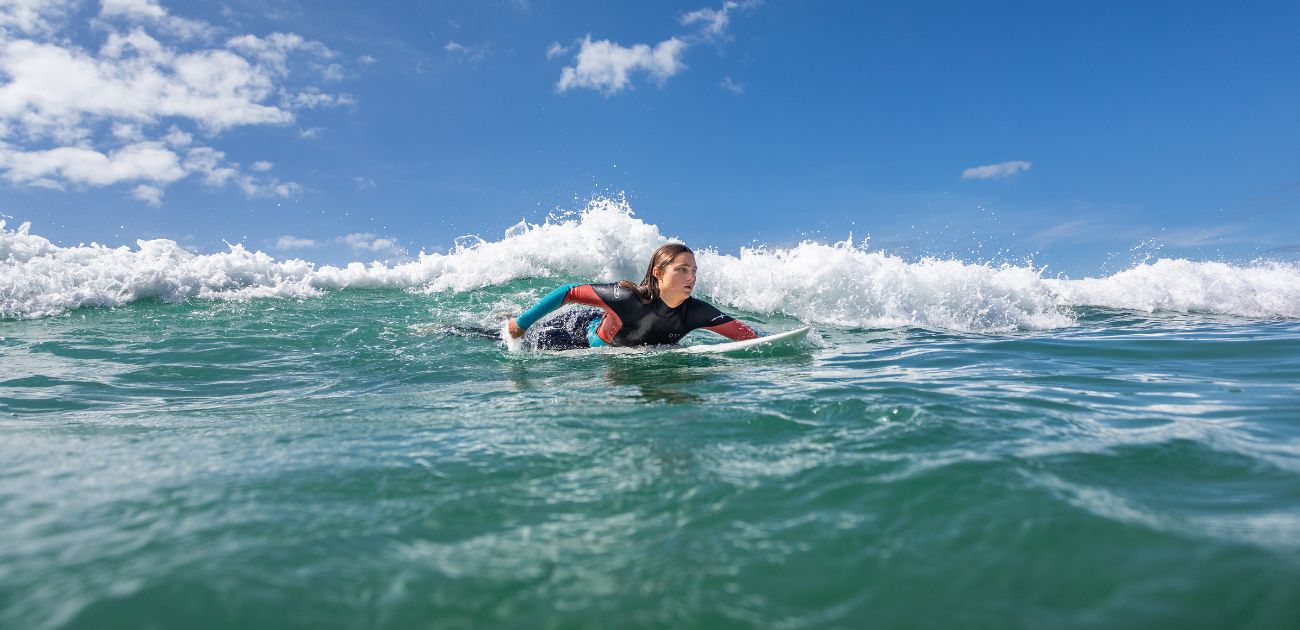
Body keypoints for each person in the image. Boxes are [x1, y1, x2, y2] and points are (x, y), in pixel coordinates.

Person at [507, 243, 760, 350]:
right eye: (681, 270)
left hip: (622, 346)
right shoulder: (628, 298)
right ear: (658, 272)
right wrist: (520, 324)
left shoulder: (696, 312)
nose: (691, 277)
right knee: (500, 338)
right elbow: (569, 292)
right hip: (576, 333)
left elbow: (751, 340)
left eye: (693, 271)